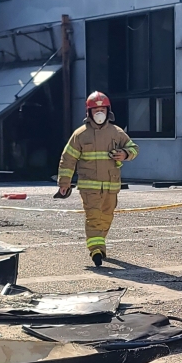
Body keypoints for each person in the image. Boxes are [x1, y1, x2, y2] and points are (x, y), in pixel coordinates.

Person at [55, 91, 139, 267]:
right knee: (93, 217)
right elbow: (68, 159)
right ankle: (96, 250)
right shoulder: (80, 135)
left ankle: (99, 244)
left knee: (106, 217)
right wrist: (64, 183)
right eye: (96, 110)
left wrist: (124, 154)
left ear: (108, 111)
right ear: (89, 112)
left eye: (102, 109)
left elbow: (133, 148)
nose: (99, 113)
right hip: (89, 188)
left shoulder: (116, 133)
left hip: (111, 186)